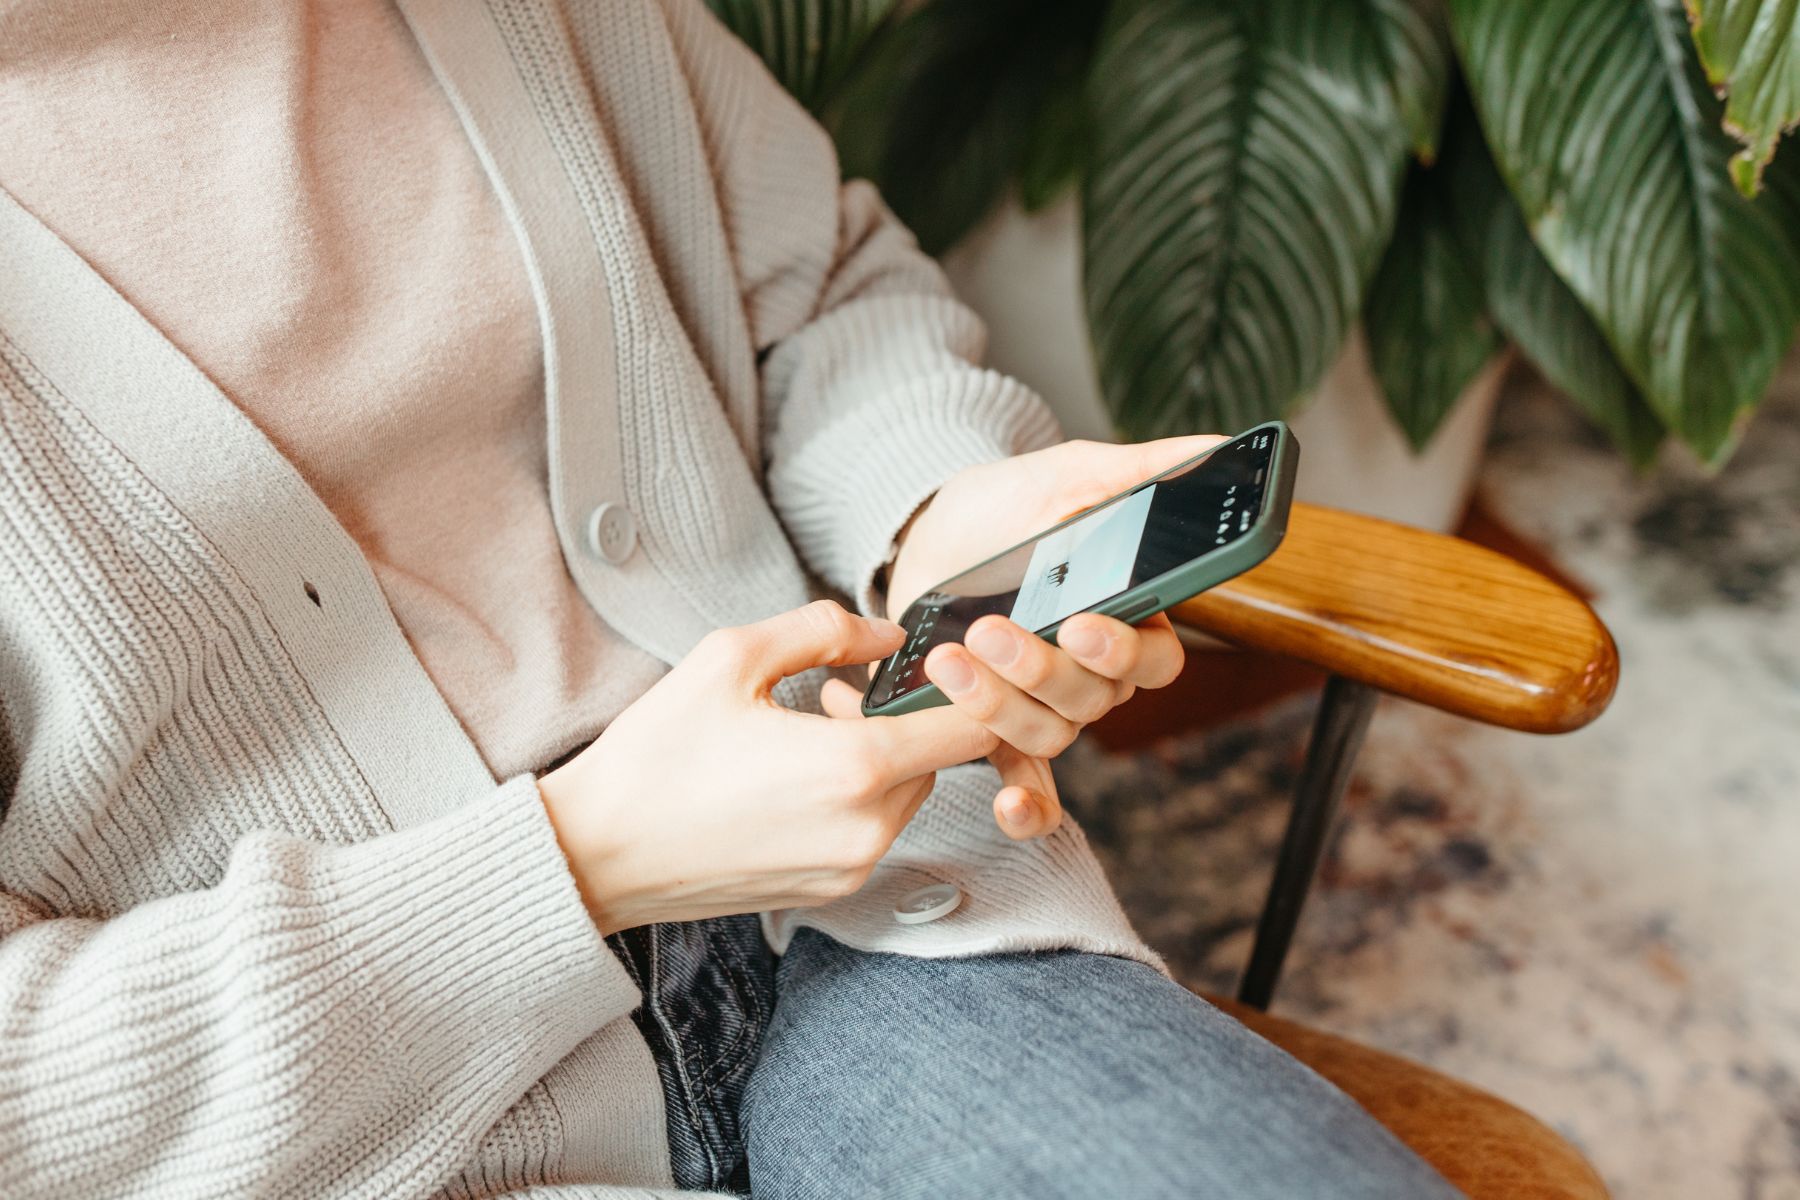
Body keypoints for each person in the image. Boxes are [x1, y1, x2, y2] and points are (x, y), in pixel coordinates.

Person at [0, 2, 1462, 1197]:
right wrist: (577, 865)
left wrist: (937, 506)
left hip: (872, 917)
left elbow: (816, 296)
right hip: (378, 1137)